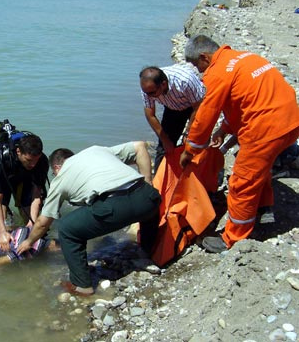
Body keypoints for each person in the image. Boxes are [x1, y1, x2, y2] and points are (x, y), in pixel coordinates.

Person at [180, 34, 299, 253]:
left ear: (205, 57)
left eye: (198, 66)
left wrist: (191, 149)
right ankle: (264, 210)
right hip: (290, 121)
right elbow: (245, 100)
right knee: (258, 169)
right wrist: (225, 130)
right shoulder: (245, 58)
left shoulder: (216, 72)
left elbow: (205, 116)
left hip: (266, 129)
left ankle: (233, 238)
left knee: (241, 181)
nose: (200, 71)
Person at [17, 141, 161, 296]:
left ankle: (82, 285)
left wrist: (28, 242)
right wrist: (148, 182)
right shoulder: (97, 150)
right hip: (149, 199)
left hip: (114, 207)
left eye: (54, 173)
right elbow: (140, 147)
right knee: (143, 209)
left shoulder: (61, 178)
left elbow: (42, 223)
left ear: (57, 168)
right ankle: (149, 251)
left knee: (66, 229)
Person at [0, 133, 49, 253]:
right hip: (2, 179)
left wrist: (32, 223)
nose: (33, 164)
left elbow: (36, 195)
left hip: (24, 179)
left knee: (31, 221)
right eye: (29, 160)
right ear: (18, 151)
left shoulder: (41, 162)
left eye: (36, 160)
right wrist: (2, 232)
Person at [139, 65, 206, 172]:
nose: (150, 96)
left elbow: (198, 106)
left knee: (198, 143)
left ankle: (208, 178)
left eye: (152, 93)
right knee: (164, 148)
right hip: (173, 108)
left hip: (195, 107)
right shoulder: (148, 89)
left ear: (163, 84)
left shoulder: (184, 80)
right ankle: (159, 183)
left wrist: (188, 132)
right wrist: (165, 140)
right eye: (147, 93)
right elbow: (150, 115)